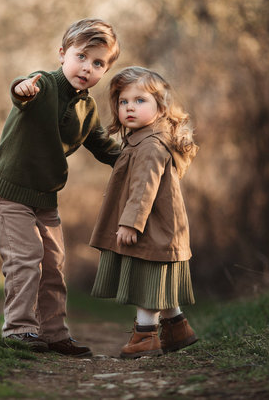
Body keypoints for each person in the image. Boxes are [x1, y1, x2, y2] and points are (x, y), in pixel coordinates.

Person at [0, 18, 122, 357]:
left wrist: (137, 161)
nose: (87, 68)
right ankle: (19, 329)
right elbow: (21, 89)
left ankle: (53, 332)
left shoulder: (87, 108)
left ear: (104, 70)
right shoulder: (43, 85)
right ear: (62, 54)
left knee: (54, 262)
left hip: (46, 196)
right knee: (24, 257)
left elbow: (103, 145)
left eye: (98, 63)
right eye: (81, 57)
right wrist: (22, 88)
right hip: (11, 190)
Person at [89, 66, 199, 359]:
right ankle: (177, 328)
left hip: (152, 226)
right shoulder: (143, 137)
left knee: (146, 280)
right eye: (124, 102)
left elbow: (144, 189)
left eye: (140, 100)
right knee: (157, 279)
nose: (129, 108)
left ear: (161, 106)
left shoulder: (150, 144)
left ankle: (145, 336)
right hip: (159, 226)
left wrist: (130, 224)